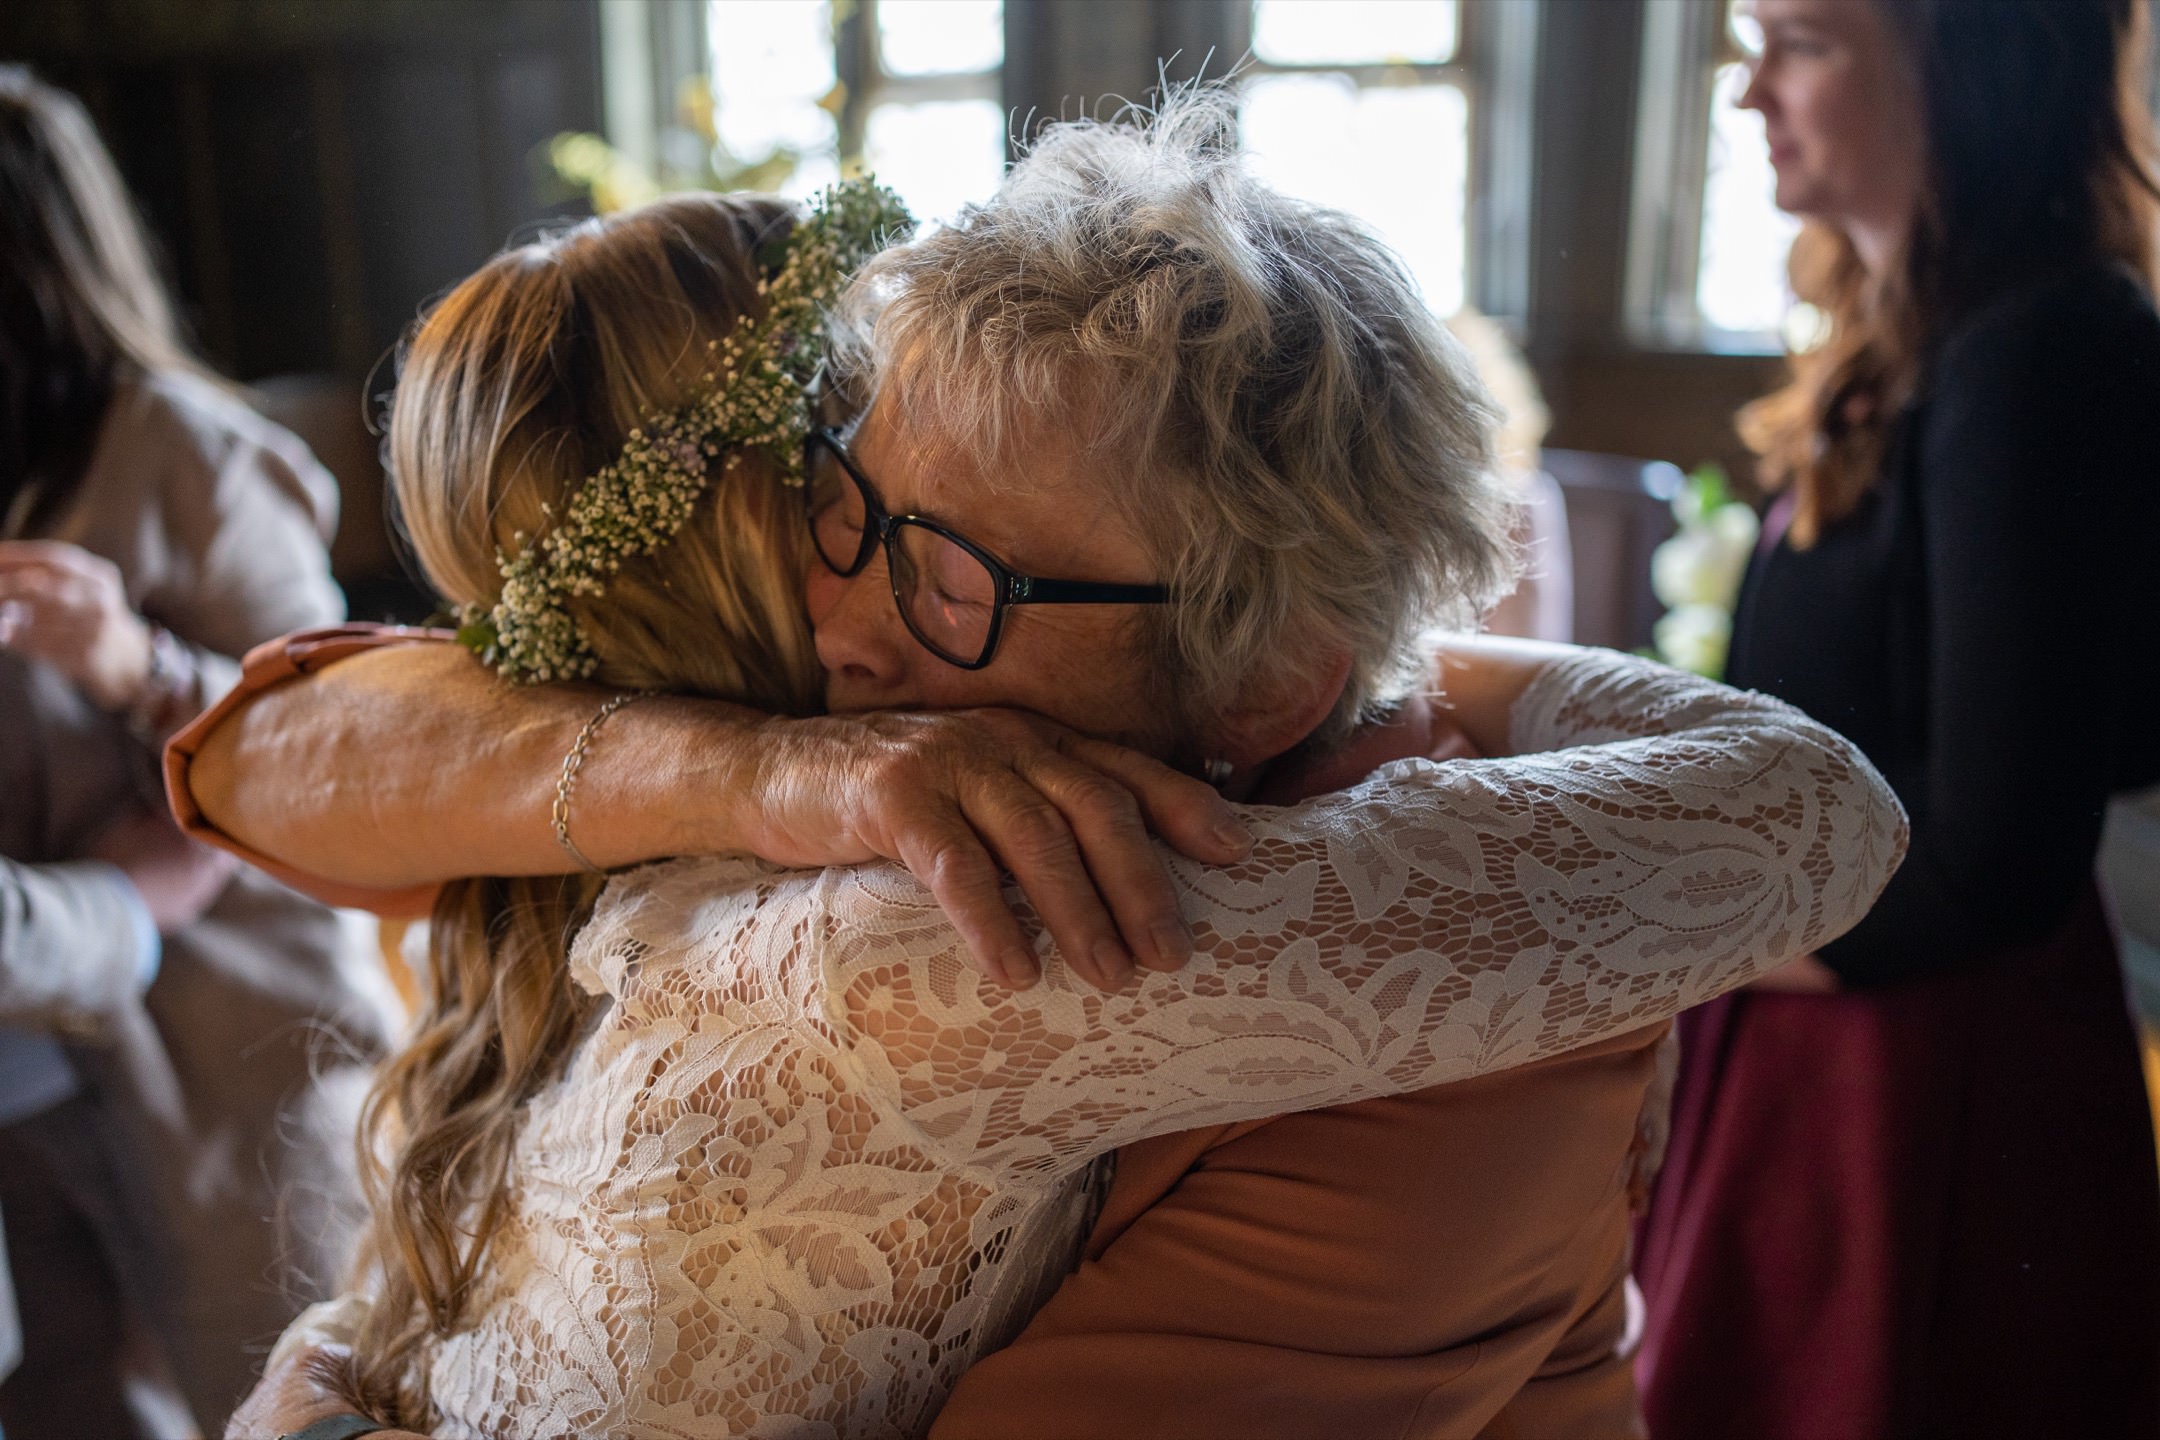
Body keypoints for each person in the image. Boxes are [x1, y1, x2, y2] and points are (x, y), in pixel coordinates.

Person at [207, 100, 1905, 1439]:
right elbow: (248, 759)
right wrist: (730, 770)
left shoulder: (1464, 1044)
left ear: (1264, 676)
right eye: (846, 510)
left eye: (956, 579)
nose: (839, 626)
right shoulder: (891, 768)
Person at [1632, 2, 2160, 1435]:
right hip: (1830, 1033)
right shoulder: (1915, 339)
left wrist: (1652, 925)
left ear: (1968, 61)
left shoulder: (2038, 351)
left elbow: (1992, 861)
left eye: (1800, 40)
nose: (1749, 94)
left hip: (1926, 1089)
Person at [0, 67, 392, 1436]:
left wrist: (132, 665)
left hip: (235, 1043)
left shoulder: (194, 457)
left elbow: (338, 746)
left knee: (295, 1388)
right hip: (33, 1065)